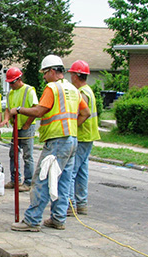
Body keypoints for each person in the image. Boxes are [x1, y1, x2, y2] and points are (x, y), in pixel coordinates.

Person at [10, 55, 90, 232]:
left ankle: (32, 220)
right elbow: (86, 113)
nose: (44, 77)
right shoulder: (73, 89)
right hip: (71, 141)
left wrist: (18, 110)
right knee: (63, 181)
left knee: (42, 179)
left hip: (57, 142)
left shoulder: (52, 88)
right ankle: (58, 218)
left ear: (53, 71)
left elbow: (39, 111)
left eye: (45, 73)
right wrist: (70, 127)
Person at [68, 60, 100, 216]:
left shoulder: (81, 93)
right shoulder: (88, 90)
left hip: (82, 136)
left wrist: (73, 127)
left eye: (71, 74)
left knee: (71, 171)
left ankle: (70, 205)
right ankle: (81, 204)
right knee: (81, 171)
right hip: (89, 136)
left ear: (75, 76)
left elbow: (83, 114)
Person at [0, 67, 38, 192]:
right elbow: (7, 109)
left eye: (12, 82)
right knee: (13, 154)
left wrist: (27, 124)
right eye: (9, 83)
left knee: (27, 155)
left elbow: (35, 109)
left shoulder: (29, 90)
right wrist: (6, 119)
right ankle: (14, 179)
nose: (10, 85)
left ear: (19, 79)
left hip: (26, 127)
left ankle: (28, 182)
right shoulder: (10, 93)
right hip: (16, 127)